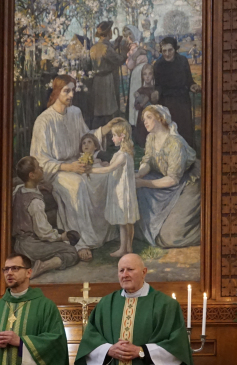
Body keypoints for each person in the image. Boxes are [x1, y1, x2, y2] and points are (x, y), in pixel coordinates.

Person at [29, 75, 120, 260]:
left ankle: (106, 234)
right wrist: (68, 167)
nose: (71, 95)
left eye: (72, 91)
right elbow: (39, 160)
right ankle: (80, 242)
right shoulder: (44, 121)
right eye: (66, 91)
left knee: (103, 177)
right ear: (56, 92)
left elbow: (86, 138)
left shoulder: (75, 112)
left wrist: (105, 128)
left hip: (77, 162)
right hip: (56, 170)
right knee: (77, 186)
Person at [135, 105, 201, 248]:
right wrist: (139, 174)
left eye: (149, 117)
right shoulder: (151, 138)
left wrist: (143, 183)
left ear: (161, 118)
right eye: (143, 119)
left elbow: (173, 179)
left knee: (171, 237)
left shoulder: (175, 143)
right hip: (164, 178)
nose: (145, 121)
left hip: (188, 182)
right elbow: (147, 161)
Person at [12, 156, 81, 279]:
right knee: (71, 252)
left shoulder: (18, 190)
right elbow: (44, 233)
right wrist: (62, 237)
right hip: (32, 246)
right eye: (38, 167)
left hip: (19, 244)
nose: (42, 168)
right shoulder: (35, 202)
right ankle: (42, 266)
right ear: (32, 175)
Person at [90, 119, 139, 257]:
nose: (112, 138)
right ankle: (128, 247)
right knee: (127, 221)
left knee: (124, 222)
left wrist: (90, 170)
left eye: (114, 136)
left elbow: (110, 169)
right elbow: (112, 167)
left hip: (122, 191)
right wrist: (103, 164)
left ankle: (123, 248)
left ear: (122, 136)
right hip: (124, 190)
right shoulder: (124, 154)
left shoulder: (122, 155)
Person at [153, 36, 200, 149]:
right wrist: (156, 92)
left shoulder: (183, 61)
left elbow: (189, 81)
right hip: (167, 102)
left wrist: (192, 86)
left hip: (182, 100)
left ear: (175, 49)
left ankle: (187, 151)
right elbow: (158, 86)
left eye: (170, 50)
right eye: (164, 51)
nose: (167, 54)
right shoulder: (158, 65)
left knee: (185, 130)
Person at [89, 20, 124, 128]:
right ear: (109, 32)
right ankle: (108, 133)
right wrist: (125, 52)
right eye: (111, 30)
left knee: (99, 110)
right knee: (108, 110)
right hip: (106, 81)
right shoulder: (106, 48)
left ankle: (97, 131)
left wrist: (115, 45)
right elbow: (118, 60)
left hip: (97, 81)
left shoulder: (94, 47)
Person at [121, 25, 148, 131]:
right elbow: (130, 65)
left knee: (143, 95)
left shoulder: (139, 46)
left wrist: (137, 54)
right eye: (126, 36)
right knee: (135, 97)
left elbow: (145, 57)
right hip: (136, 74)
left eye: (130, 34)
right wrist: (135, 55)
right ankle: (135, 122)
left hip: (142, 73)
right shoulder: (132, 48)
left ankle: (142, 121)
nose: (129, 37)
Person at [132, 64, 158, 147]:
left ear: (153, 75)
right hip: (143, 118)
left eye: (150, 74)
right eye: (145, 74)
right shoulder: (140, 91)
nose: (147, 77)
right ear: (142, 76)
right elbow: (136, 106)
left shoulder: (155, 90)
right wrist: (142, 103)